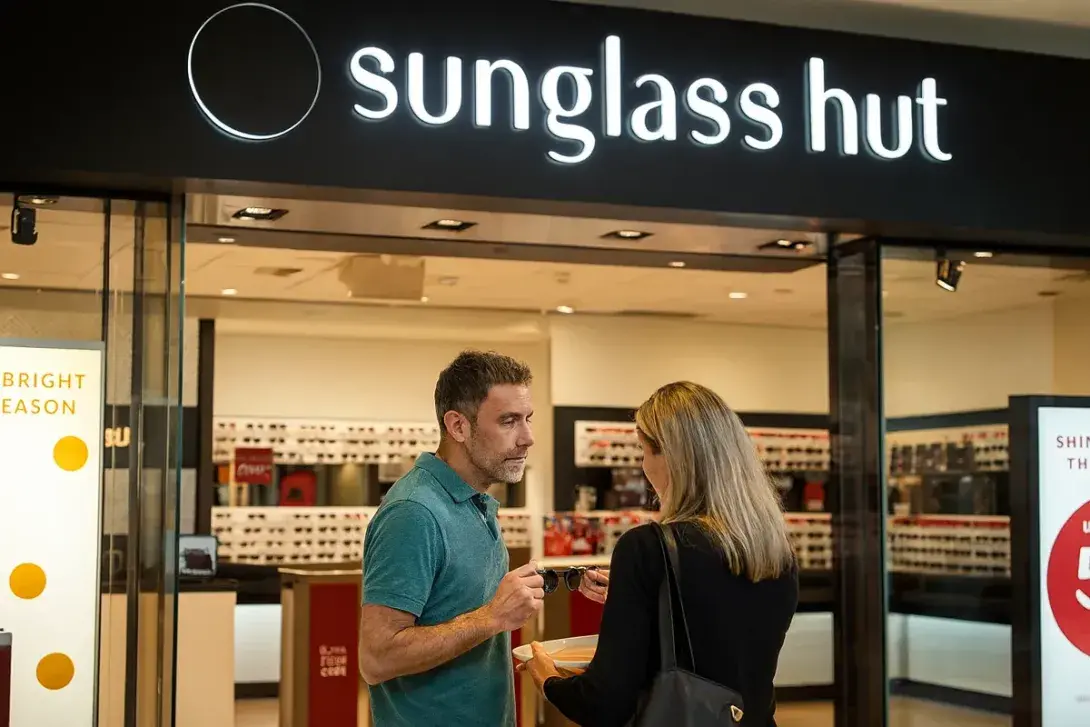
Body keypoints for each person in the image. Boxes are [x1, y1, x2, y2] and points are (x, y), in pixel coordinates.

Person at [522, 381, 799, 727]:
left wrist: (549, 681)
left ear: (672, 458)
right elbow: (726, 639)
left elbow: (604, 702)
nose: (642, 465)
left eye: (644, 450)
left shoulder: (647, 548)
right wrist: (641, 598)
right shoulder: (775, 550)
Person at [358, 350, 545, 727]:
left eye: (527, 419)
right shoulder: (414, 513)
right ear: (458, 426)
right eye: (508, 421)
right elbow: (376, 659)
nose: (528, 438)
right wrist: (492, 617)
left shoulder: (476, 503)